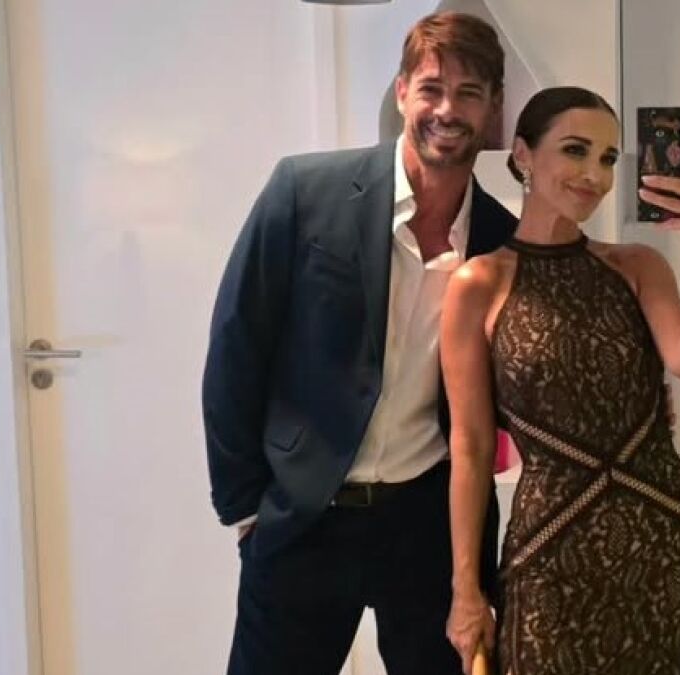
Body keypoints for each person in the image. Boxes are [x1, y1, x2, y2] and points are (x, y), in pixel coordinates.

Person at [201, 12, 517, 674]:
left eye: (469, 93)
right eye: (431, 88)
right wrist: (245, 506)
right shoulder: (304, 191)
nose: (447, 110)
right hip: (303, 518)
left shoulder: (502, 242)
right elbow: (236, 345)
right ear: (402, 92)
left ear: (492, 111)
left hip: (429, 528)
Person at [441, 86, 680, 674]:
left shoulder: (636, 266)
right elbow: (470, 446)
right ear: (523, 155)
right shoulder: (479, 283)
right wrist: (465, 590)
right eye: (575, 150)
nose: (595, 175)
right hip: (548, 547)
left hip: (660, 536)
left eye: (607, 158)